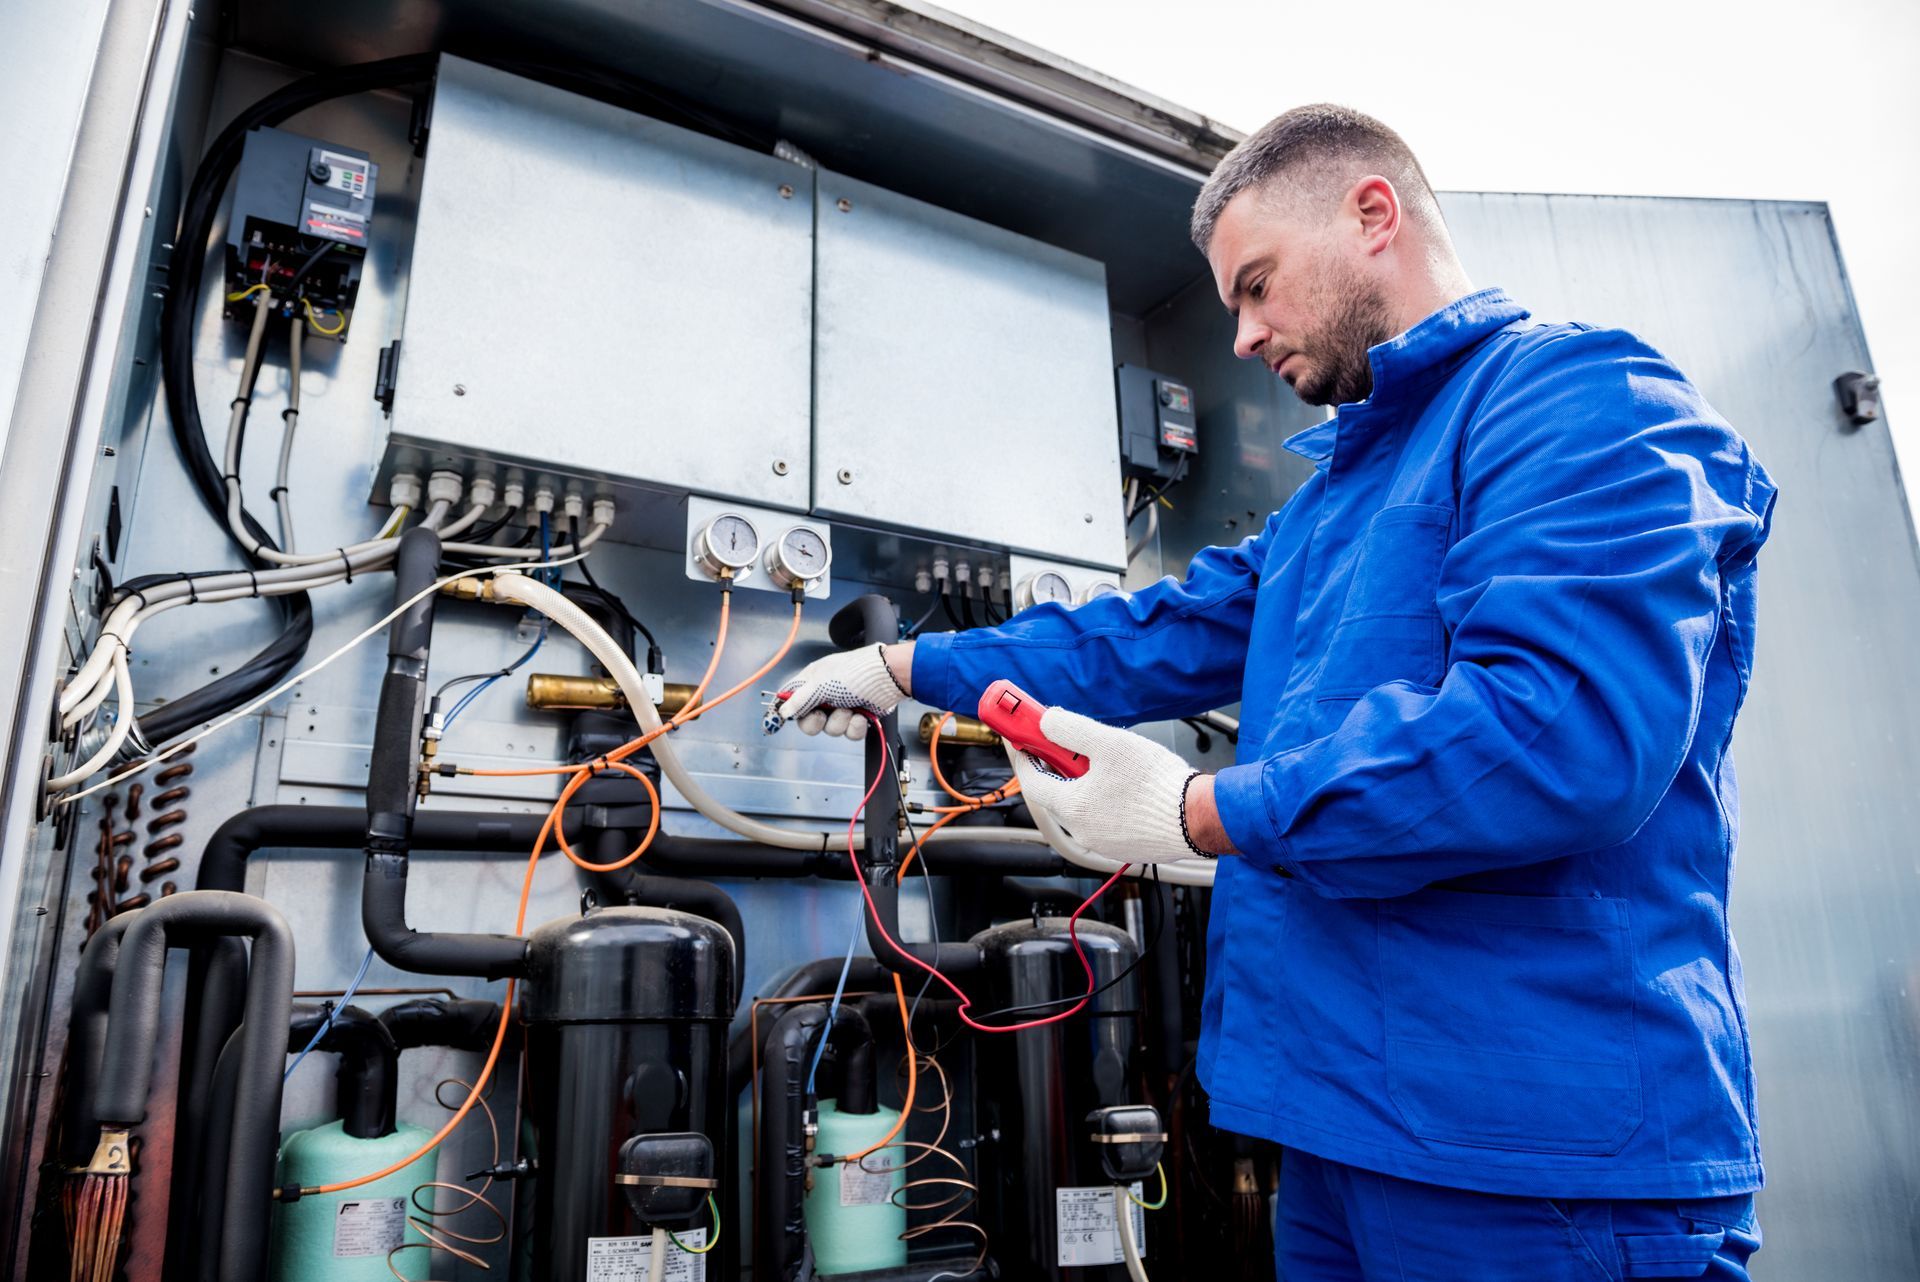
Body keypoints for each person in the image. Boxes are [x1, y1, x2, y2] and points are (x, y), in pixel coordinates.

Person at [776, 104, 1775, 1281]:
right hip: (1342, 1130)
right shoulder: (1326, 510)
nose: (1242, 337)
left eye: (1255, 287)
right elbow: (1151, 633)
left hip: (1534, 1155)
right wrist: (909, 670)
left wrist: (1197, 811)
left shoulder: (1577, 399)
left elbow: (1556, 733)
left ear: (1371, 213)